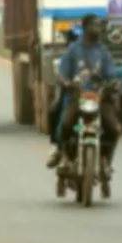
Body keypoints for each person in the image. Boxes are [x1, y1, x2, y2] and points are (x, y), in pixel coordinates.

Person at [55, 15, 122, 176]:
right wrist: (66, 83)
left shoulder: (103, 51)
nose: (97, 29)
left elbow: (111, 75)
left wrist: (114, 84)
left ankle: (106, 162)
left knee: (114, 129)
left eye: (99, 26)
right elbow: (63, 74)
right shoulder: (73, 50)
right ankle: (65, 156)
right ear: (85, 28)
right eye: (94, 26)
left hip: (99, 99)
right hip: (78, 98)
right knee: (66, 125)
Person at [45, 24, 82, 168]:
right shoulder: (66, 59)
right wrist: (66, 83)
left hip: (92, 99)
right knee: (55, 111)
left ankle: (105, 158)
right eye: (74, 39)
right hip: (71, 98)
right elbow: (61, 75)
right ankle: (57, 147)